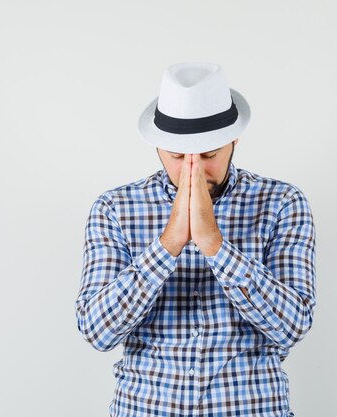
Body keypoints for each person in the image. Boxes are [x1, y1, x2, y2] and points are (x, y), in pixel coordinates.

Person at [74, 62, 316, 417]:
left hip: (251, 407)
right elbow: (98, 332)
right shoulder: (115, 208)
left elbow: (293, 326)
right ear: (158, 148)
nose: (194, 170)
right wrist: (169, 243)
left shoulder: (282, 202)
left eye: (209, 154)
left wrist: (214, 244)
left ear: (234, 139)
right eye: (177, 157)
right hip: (145, 407)